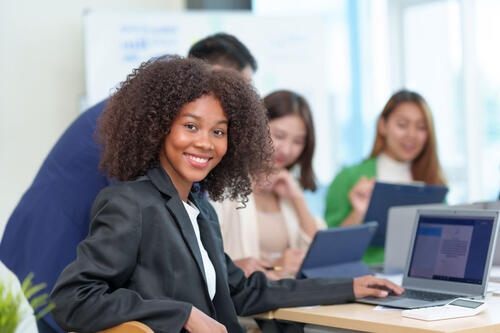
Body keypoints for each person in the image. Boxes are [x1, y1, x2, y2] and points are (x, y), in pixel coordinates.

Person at [50, 56, 403, 333]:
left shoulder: (201, 208)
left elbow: (244, 292)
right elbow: (73, 299)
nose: (205, 142)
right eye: (191, 126)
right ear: (158, 129)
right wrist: (182, 314)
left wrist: (349, 287)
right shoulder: (131, 203)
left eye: (218, 131)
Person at [0, 32, 257, 333]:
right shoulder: (141, 121)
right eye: (238, 88)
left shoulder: (151, 111)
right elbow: (150, 221)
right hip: (52, 251)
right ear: (211, 77)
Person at [211, 90, 325, 279]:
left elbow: (318, 256)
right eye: (279, 136)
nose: (287, 150)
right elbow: (217, 265)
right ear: (255, 128)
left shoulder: (288, 187)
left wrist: (297, 199)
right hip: (246, 304)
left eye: (298, 142)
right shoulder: (225, 187)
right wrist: (276, 267)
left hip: (288, 301)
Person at [325, 89, 446, 265]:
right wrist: (358, 213)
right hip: (366, 279)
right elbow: (329, 249)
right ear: (383, 125)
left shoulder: (433, 182)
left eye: (421, 127)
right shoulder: (349, 178)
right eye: (402, 125)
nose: (411, 135)